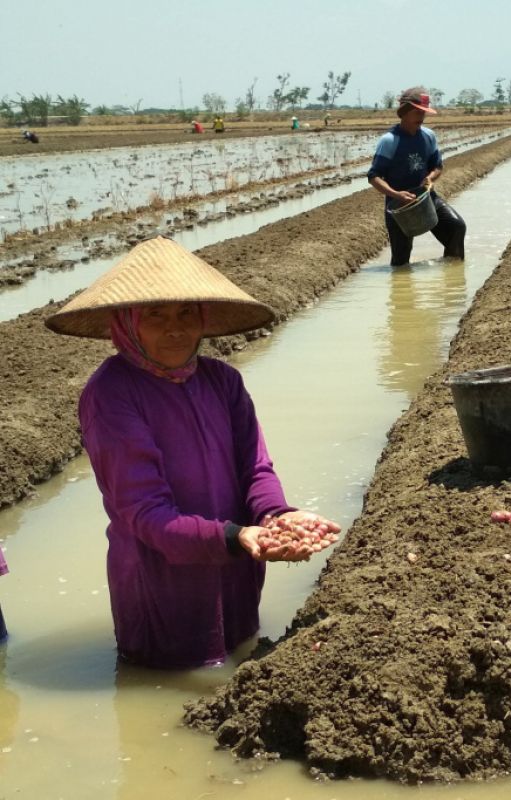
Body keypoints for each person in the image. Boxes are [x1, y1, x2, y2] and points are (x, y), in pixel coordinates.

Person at [44, 237, 341, 669]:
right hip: (161, 578)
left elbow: (255, 469)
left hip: (238, 566)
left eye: (187, 313)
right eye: (156, 315)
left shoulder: (223, 381)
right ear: (126, 322)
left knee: (241, 659)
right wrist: (233, 537)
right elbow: (144, 511)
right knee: (169, 679)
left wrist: (276, 517)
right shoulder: (111, 394)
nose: (175, 328)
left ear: (203, 317)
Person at [367, 86, 466, 266]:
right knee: (401, 260)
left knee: (457, 227)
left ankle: (453, 276)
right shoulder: (390, 141)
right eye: (417, 112)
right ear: (404, 112)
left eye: (424, 113)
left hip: (427, 199)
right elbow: (374, 176)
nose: (421, 117)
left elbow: (437, 166)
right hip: (400, 207)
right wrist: (397, 195)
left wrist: (431, 177)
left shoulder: (428, 136)